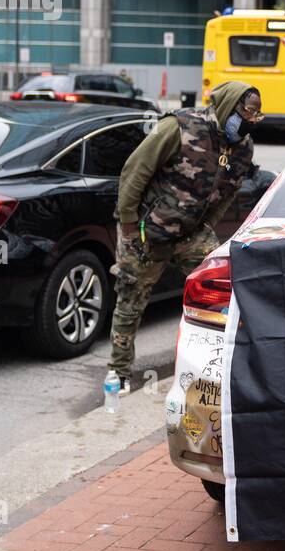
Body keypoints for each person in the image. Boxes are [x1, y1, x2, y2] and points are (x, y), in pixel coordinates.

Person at [107, 81, 261, 387]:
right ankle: (119, 372)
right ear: (230, 106)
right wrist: (127, 224)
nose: (249, 122)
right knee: (131, 299)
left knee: (222, 288)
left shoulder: (243, 149)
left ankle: (219, 366)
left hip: (191, 234)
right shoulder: (179, 126)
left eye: (256, 116)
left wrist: (208, 224)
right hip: (146, 231)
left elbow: (230, 191)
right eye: (246, 113)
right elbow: (135, 170)